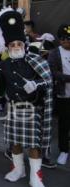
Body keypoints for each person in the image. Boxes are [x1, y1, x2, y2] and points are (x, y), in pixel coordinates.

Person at [0, 7, 53, 187]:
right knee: (14, 142)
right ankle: (19, 170)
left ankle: (36, 178)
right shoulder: (3, 65)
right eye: (12, 44)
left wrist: (36, 84)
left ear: (24, 44)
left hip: (32, 108)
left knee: (33, 145)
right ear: (8, 46)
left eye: (19, 43)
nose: (16, 46)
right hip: (13, 108)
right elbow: (0, 88)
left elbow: (48, 81)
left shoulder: (35, 60)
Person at [48, 24, 70, 165]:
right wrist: (67, 78)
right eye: (62, 38)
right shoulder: (55, 53)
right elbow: (52, 72)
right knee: (64, 124)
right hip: (63, 95)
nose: (65, 41)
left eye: (67, 38)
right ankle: (64, 150)